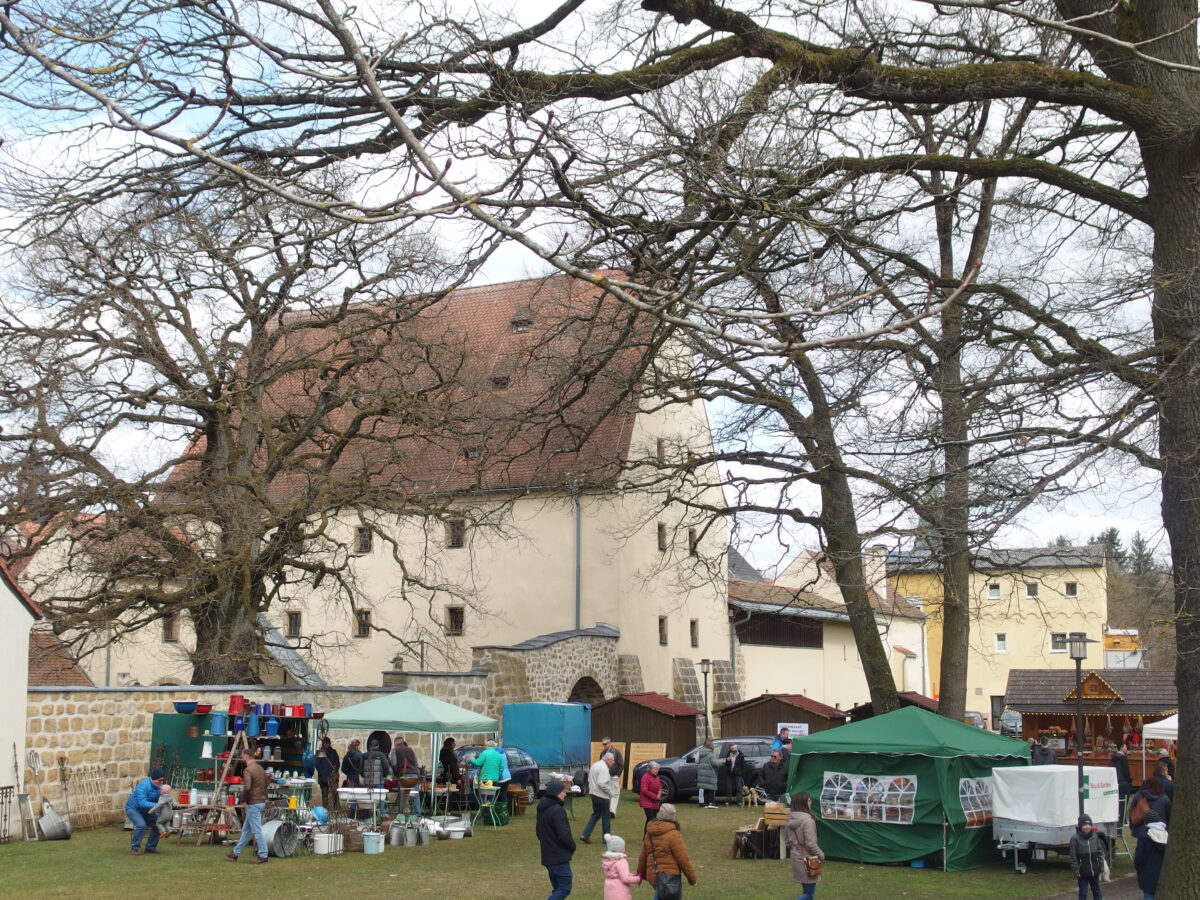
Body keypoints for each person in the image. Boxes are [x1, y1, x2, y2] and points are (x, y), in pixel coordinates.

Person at [637, 804, 697, 899]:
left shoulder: (649, 833)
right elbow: (683, 859)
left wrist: (640, 874)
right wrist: (692, 878)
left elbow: (643, 856)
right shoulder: (674, 835)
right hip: (669, 878)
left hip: (653, 875)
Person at [227, 748, 269, 864]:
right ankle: (235, 853)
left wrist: (243, 799)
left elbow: (248, 787)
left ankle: (263, 854)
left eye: (242, 756)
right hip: (261, 801)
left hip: (253, 803)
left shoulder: (248, 770)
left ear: (245, 757)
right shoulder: (260, 769)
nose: (242, 758)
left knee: (257, 830)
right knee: (246, 829)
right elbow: (267, 782)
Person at [536, 779, 576, 900]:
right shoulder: (557, 810)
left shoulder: (542, 810)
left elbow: (538, 833)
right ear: (556, 793)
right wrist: (572, 846)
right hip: (559, 857)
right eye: (563, 792)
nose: (565, 794)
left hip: (548, 855)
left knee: (557, 888)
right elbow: (564, 835)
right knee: (564, 888)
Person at [786, 791, 825, 899]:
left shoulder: (790, 818)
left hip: (795, 856)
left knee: (806, 891)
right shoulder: (808, 821)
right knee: (808, 894)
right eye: (809, 800)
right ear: (802, 802)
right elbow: (811, 844)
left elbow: (787, 841)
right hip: (808, 859)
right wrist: (821, 855)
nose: (811, 802)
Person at [126, 766, 167, 855]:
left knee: (158, 823)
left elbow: (160, 799)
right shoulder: (144, 786)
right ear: (153, 779)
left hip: (147, 810)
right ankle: (134, 848)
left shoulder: (159, 787)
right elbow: (142, 803)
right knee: (141, 825)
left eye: (162, 780)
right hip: (134, 809)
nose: (161, 783)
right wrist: (159, 805)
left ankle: (150, 847)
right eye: (159, 780)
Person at [581, 751, 618, 843]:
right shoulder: (604, 768)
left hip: (593, 793)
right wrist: (610, 792)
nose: (613, 763)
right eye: (612, 761)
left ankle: (585, 834)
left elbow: (590, 779)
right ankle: (606, 839)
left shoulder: (595, 765)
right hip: (602, 796)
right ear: (608, 760)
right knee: (606, 817)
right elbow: (601, 783)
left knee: (596, 815)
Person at [1069, 813, 1108, 900]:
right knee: (1083, 892)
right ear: (1080, 826)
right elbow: (1073, 856)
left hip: (1094, 871)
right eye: (1085, 824)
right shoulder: (1075, 839)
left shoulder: (1095, 837)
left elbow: (1100, 854)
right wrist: (1076, 870)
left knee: (1097, 891)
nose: (1087, 827)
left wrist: (1101, 868)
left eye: (1089, 824)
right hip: (1082, 872)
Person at [1134, 809, 1168, 900]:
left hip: (1148, 873)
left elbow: (1139, 857)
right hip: (1164, 872)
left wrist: (1138, 867)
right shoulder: (1167, 835)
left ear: (1146, 822)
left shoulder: (1144, 836)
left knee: (1148, 895)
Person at [601, 833, 642, 900]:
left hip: (609, 892)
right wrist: (638, 878)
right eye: (623, 846)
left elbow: (617, 874)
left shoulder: (607, 860)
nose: (624, 848)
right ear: (619, 849)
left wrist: (633, 875)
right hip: (620, 893)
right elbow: (625, 878)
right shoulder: (621, 861)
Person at [315, 736, 341, 810]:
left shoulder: (333, 752)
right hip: (324, 777)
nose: (327, 745)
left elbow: (337, 763)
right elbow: (318, 765)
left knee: (334, 794)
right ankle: (326, 810)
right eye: (326, 743)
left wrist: (334, 771)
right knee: (325, 795)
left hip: (332, 777)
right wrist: (323, 773)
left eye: (328, 743)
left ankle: (334, 809)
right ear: (323, 744)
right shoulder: (320, 752)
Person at [601, 737, 625, 817]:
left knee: (615, 794)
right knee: (607, 793)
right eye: (603, 744)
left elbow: (621, 765)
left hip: (614, 776)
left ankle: (612, 811)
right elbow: (600, 765)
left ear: (610, 743)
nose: (604, 745)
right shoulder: (602, 753)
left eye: (605, 744)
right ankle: (607, 810)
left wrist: (617, 775)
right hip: (605, 777)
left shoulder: (617, 752)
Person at [638, 761, 663, 827]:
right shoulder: (645, 777)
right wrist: (655, 796)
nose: (656, 771)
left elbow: (659, 786)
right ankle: (646, 836)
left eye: (657, 769)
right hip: (646, 802)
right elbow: (644, 790)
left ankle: (650, 835)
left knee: (653, 819)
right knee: (651, 819)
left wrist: (660, 792)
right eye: (655, 769)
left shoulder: (657, 777)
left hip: (655, 802)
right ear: (650, 769)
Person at [696, 740, 718, 809]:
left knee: (703, 788)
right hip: (710, 773)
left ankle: (704, 803)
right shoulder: (711, 754)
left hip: (701, 773)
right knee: (711, 787)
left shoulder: (699, 752)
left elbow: (696, 761)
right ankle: (711, 803)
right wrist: (719, 762)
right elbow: (715, 764)